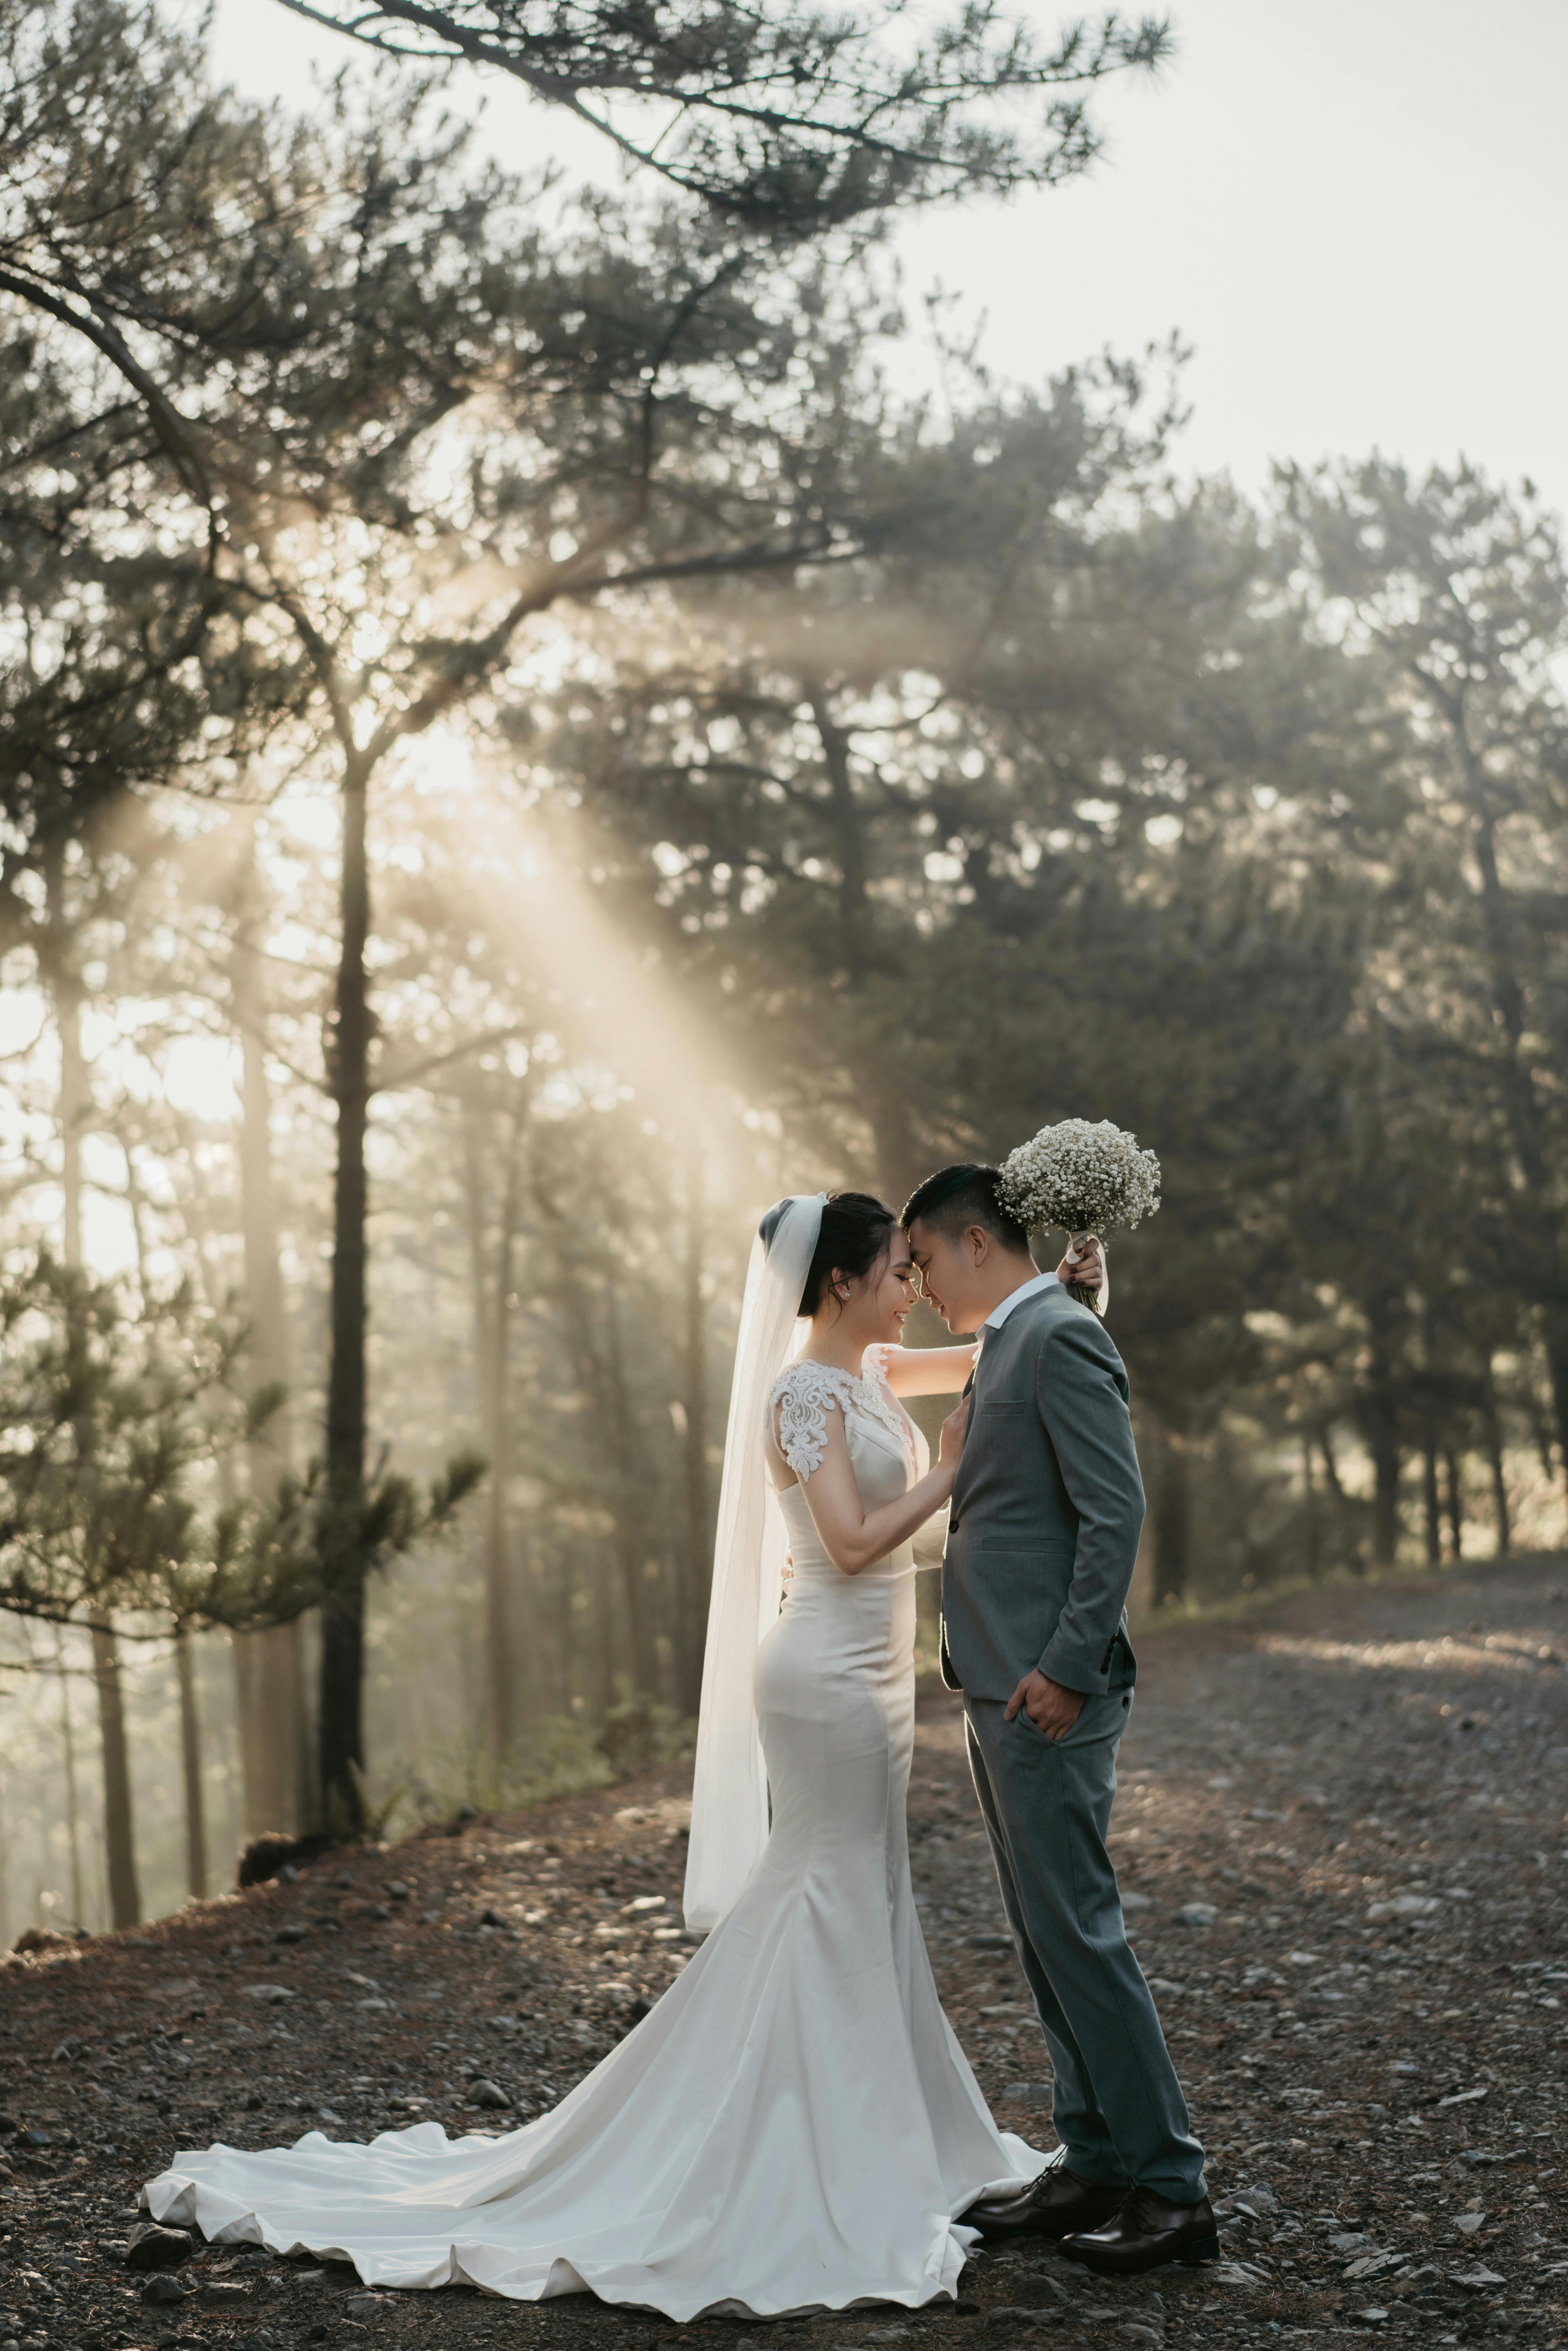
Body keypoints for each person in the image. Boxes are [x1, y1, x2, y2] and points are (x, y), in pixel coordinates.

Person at [141, 1191, 1094, 2319]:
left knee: (862, 1887)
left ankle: (876, 2125)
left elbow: (1000, 1357)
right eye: (896, 1269)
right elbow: (845, 1544)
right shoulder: (803, 1394)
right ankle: (780, 2145)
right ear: (841, 1282)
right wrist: (945, 1471)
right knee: (825, 1885)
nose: (912, 1287)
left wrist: (1070, 1296)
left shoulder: (874, 1374)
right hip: (823, 1673)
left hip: (876, 1682)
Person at [903, 1162, 1216, 2276]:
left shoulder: (1056, 1339)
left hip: (1048, 1686)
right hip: (999, 1678)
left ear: (977, 1241)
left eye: (925, 1259)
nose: (922, 1281)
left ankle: (1172, 2189)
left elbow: (1111, 1509)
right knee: (1043, 1936)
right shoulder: (1026, 1331)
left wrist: (1071, 1666)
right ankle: (1093, 2157)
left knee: (1079, 1930)